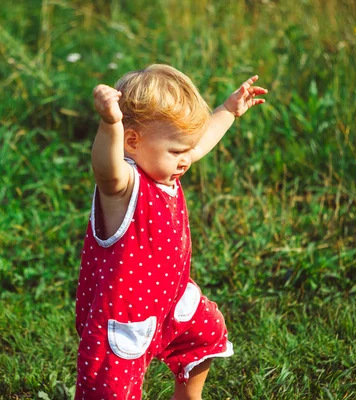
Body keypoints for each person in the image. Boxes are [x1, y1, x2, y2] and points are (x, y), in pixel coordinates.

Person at [75, 64, 267, 400]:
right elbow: (105, 169)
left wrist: (227, 110)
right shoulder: (124, 185)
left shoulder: (166, 170)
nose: (187, 160)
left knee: (207, 332)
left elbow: (200, 144)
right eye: (177, 152)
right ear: (132, 142)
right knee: (112, 392)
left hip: (169, 299)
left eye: (186, 149)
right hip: (126, 316)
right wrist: (110, 124)